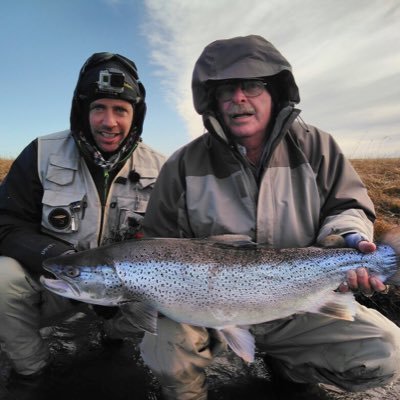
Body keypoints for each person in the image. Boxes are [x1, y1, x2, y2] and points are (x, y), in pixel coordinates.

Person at [140, 35, 400, 399]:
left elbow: (348, 207)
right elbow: (154, 244)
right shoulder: (182, 165)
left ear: (276, 92)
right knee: (163, 349)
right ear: (212, 101)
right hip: (206, 310)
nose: (239, 98)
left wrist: (350, 238)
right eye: (226, 89)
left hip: (300, 299)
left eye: (252, 85)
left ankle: (290, 369)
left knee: (385, 351)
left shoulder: (317, 147)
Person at [0, 52, 165, 392]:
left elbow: (174, 240)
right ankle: (31, 371)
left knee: (176, 308)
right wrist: (59, 260)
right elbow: (6, 222)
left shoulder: (162, 168)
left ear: (136, 115)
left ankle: (115, 336)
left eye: (120, 109)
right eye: (98, 108)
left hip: (128, 294)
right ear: (81, 110)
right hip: (58, 281)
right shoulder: (42, 153)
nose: (109, 121)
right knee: (1, 277)